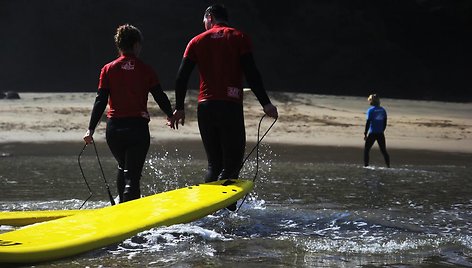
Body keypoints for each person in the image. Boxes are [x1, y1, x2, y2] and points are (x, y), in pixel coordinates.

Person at [171, 4, 278, 209]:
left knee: (214, 164)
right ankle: (224, 217)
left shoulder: (196, 41)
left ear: (209, 17)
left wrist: (179, 108)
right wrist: (266, 103)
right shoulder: (238, 37)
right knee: (231, 165)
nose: (203, 25)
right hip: (230, 107)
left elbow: (181, 77)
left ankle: (208, 212)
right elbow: (251, 73)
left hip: (206, 107)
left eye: (204, 20)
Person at [83, 24, 174, 203]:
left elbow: (100, 100)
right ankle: (129, 217)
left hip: (114, 130)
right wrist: (170, 114)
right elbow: (159, 95)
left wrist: (90, 129)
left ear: (119, 45)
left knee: (123, 166)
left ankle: (121, 209)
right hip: (137, 129)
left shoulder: (108, 69)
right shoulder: (146, 70)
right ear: (136, 45)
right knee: (132, 176)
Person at [363, 94, 390, 168]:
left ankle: (366, 167)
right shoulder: (383, 110)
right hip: (380, 133)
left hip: (372, 133)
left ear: (372, 101)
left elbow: (368, 122)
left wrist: (365, 133)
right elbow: (385, 122)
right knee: (384, 151)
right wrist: (382, 130)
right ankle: (388, 166)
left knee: (366, 150)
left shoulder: (370, 110)